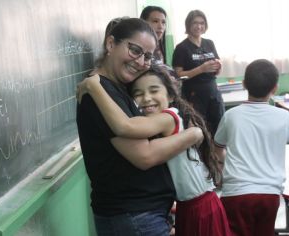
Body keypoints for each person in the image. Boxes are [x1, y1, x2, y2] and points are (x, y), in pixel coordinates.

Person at [76, 18, 204, 236]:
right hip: (134, 217)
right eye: (135, 50)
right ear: (110, 44)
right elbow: (144, 156)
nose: (141, 61)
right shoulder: (98, 92)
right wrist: (194, 134)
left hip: (144, 216)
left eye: (148, 56)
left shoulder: (116, 87)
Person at [78, 64, 231, 236]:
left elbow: (126, 126)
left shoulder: (169, 117)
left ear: (171, 95)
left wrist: (95, 88)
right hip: (188, 206)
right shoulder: (160, 126)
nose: (146, 98)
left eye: (153, 90)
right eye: (138, 93)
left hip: (200, 207)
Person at [214, 59, 289, 236]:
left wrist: (228, 163)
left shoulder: (231, 116)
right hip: (269, 195)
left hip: (235, 194)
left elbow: (218, 150)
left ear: (244, 85)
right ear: (275, 88)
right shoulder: (284, 117)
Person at [172, 9, 224, 137]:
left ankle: (217, 155)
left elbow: (216, 68)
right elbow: (178, 75)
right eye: (195, 23)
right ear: (188, 25)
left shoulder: (209, 43)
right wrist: (201, 69)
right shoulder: (181, 48)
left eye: (202, 23)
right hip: (194, 95)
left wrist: (218, 66)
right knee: (199, 130)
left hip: (213, 91)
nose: (199, 26)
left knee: (219, 126)